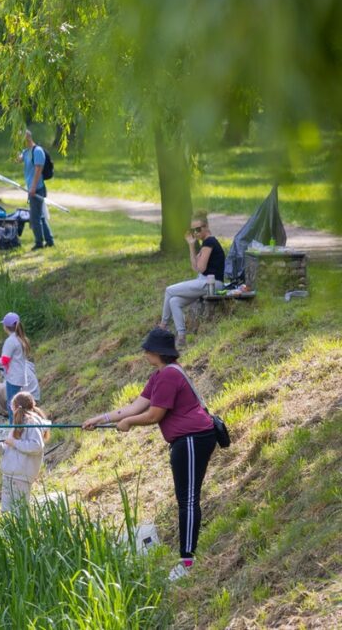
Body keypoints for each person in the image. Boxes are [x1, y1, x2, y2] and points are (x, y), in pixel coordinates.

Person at [83, 328, 217, 582]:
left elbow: (154, 415)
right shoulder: (159, 376)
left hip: (192, 439)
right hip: (186, 440)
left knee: (188, 500)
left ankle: (187, 562)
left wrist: (130, 423)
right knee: (186, 499)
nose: (144, 353)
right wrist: (101, 419)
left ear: (156, 352)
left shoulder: (168, 376)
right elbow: (134, 406)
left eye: (147, 349)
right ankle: (187, 559)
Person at [158, 211, 226, 349]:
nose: (195, 232)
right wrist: (191, 245)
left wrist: (199, 259)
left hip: (211, 283)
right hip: (204, 281)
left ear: (206, 227)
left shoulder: (209, 242)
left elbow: (200, 267)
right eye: (193, 230)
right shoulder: (205, 243)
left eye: (198, 229)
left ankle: (163, 326)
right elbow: (195, 267)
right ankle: (182, 336)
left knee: (169, 290)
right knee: (174, 301)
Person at [0, 391, 51, 511]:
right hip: (10, 474)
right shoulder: (18, 423)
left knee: (20, 513)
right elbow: (8, 449)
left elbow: (36, 446)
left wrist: (13, 442)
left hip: (21, 476)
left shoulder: (32, 422)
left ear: (14, 406)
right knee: (6, 512)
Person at [0, 312, 40, 421]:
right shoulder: (21, 340)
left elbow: (3, 361)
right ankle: (12, 421)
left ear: (5, 327)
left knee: (12, 406)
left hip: (27, 395)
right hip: (27, 393)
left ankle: (13, 428)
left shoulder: (11, 342)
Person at [20, 130, 55, 250]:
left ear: (28, 138)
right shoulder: (26, 152)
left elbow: (38, 171)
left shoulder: (38, 151)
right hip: (32, 188)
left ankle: (39, 243)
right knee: (40, 216)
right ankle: (49, 241)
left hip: (38, 188)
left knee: (35, 218)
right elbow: (18, 159)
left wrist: (34, 187)